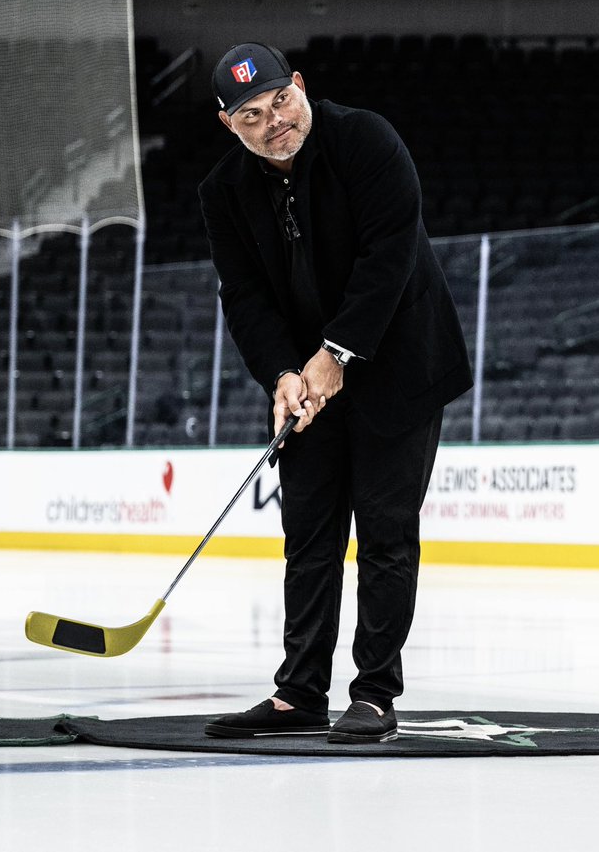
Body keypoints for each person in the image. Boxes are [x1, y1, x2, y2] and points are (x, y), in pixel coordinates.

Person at [198, 42, 472, 744]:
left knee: (384, 533)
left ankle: (375, 692)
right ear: (229, 124)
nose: (274, 122)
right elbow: (246, 296)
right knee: (310, 535)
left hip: (401, 365)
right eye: (251, 115)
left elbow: (391, 256)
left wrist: (336, 353)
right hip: (310, 378)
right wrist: (284, 374)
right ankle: (299, 693)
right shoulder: (222, 192)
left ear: (299, 85)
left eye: (280, 101)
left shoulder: (366, 140)